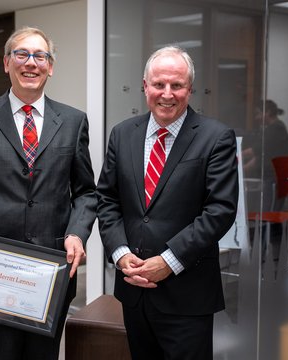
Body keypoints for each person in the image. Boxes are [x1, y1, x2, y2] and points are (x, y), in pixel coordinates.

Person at [0, 26, 97, 360]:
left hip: (49, 276)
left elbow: (86, 192)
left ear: (50, 66)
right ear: (6, 63)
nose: (32, 63)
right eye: (22, 54)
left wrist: (76, 232)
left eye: (40, 55)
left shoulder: (73, 122)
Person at [96, 46, 239, 360]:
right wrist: (120, 254)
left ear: (189, 88)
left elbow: (220, 210)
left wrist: (169, 261)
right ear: (145, 86)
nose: (167, 94)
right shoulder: (122, 135)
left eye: (177, 85)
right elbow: (106, 200)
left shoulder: (216, 138)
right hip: (134, 291)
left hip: (187, 295)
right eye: (159, 84)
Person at [242, 99, 288, 211]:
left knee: (268, 213)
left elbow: (256, 150)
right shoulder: (273, 128)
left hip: (275, 179)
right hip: (273, 178)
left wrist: (236, 156)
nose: (256, 118)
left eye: (258, 114)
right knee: (266, 212)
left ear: (268, 112)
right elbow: (259, 156)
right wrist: (241, 168)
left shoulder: (276, 128)